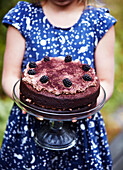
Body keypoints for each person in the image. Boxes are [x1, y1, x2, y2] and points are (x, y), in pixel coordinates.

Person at [0, 0, 117, 169]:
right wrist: (30, 103)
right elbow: (9, 77)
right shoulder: (23, 16)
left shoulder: (99, 21)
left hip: (82, 130)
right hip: (28, 127)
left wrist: (84, 107)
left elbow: (106, 82)